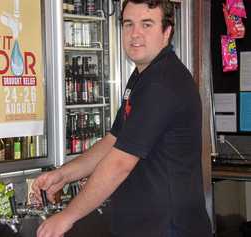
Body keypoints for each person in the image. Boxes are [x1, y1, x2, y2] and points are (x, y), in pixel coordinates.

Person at [32, 0, 212, 236]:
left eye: (147, 24)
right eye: (128, 24)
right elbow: (112, 142)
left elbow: (120, 164)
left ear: (166, 32)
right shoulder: (142, 76)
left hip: (169, 228)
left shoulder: (163, 83)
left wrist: (67, 216)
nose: (135, 34)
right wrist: (63, 175)